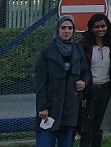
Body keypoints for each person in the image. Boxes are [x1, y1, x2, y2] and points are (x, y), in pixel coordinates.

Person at [35, 15, 91, 147]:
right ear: (57, 29)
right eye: (63, 28)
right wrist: (43, 107)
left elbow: (86, 72)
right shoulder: (47, 52)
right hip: (50, 110)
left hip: (70, 109)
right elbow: (40, 83)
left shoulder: (78, 50)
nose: (67, 31)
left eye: (70, 28)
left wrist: (84, 82)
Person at [78, 13, 111, 147]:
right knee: (86, 129)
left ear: (108, 27)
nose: (100, 29)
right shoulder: (84, 46)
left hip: (106, 90)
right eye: (96, 27)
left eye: (103, 26)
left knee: (99, 128)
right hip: (89, 91)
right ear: (91, 29)